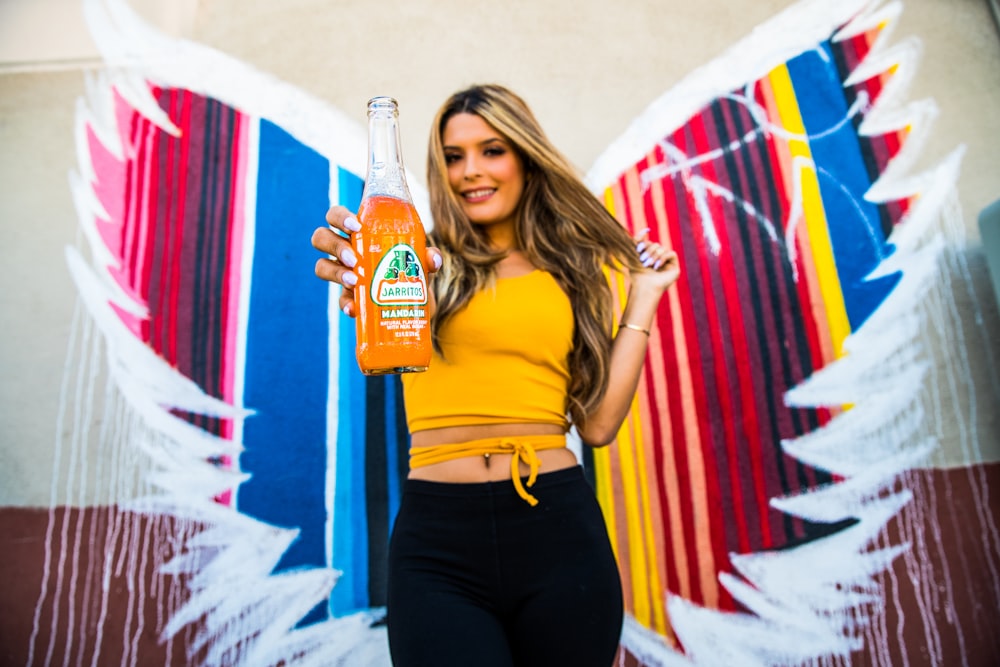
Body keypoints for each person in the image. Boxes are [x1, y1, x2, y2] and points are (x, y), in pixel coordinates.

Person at [311, 84, 680, 667]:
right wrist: (358, 270)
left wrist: (644, 297)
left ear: (525, 157)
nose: (470, 172)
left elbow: (600, 426)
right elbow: (389, 300)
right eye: (454, 156)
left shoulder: (571, 272)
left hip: (558, 531)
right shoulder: (420, 258)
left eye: (492, 150)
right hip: (439, 541)